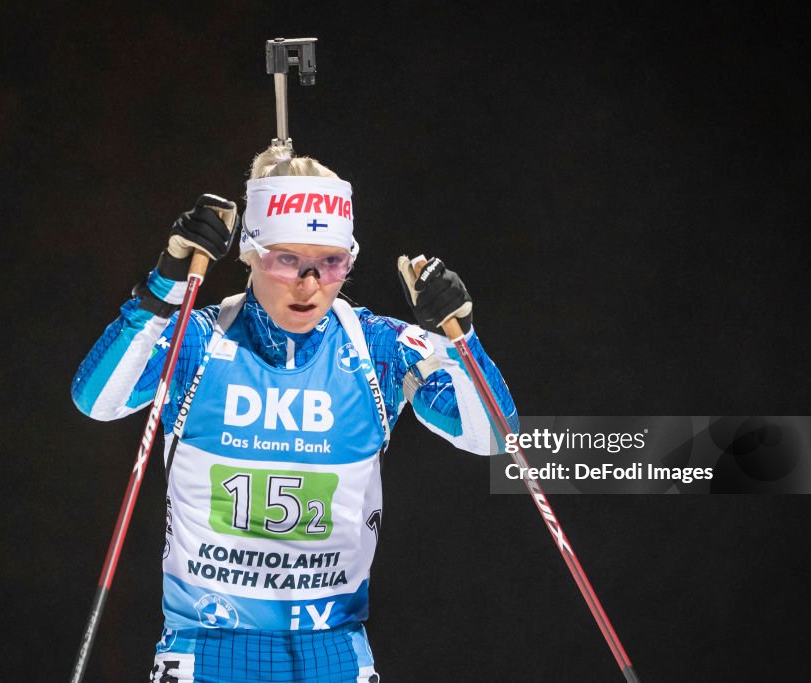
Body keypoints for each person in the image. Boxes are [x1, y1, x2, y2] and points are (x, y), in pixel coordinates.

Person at [72, 145, 518, 683]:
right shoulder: (197, 339)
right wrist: (164, 284)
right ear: (252, 254)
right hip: (206, 651)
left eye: (330, 262)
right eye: (287, 260)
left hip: (331, 654)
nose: (309, 284)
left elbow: (494, 437)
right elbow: (97, 400)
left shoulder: (376, 346)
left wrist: (464, 342)